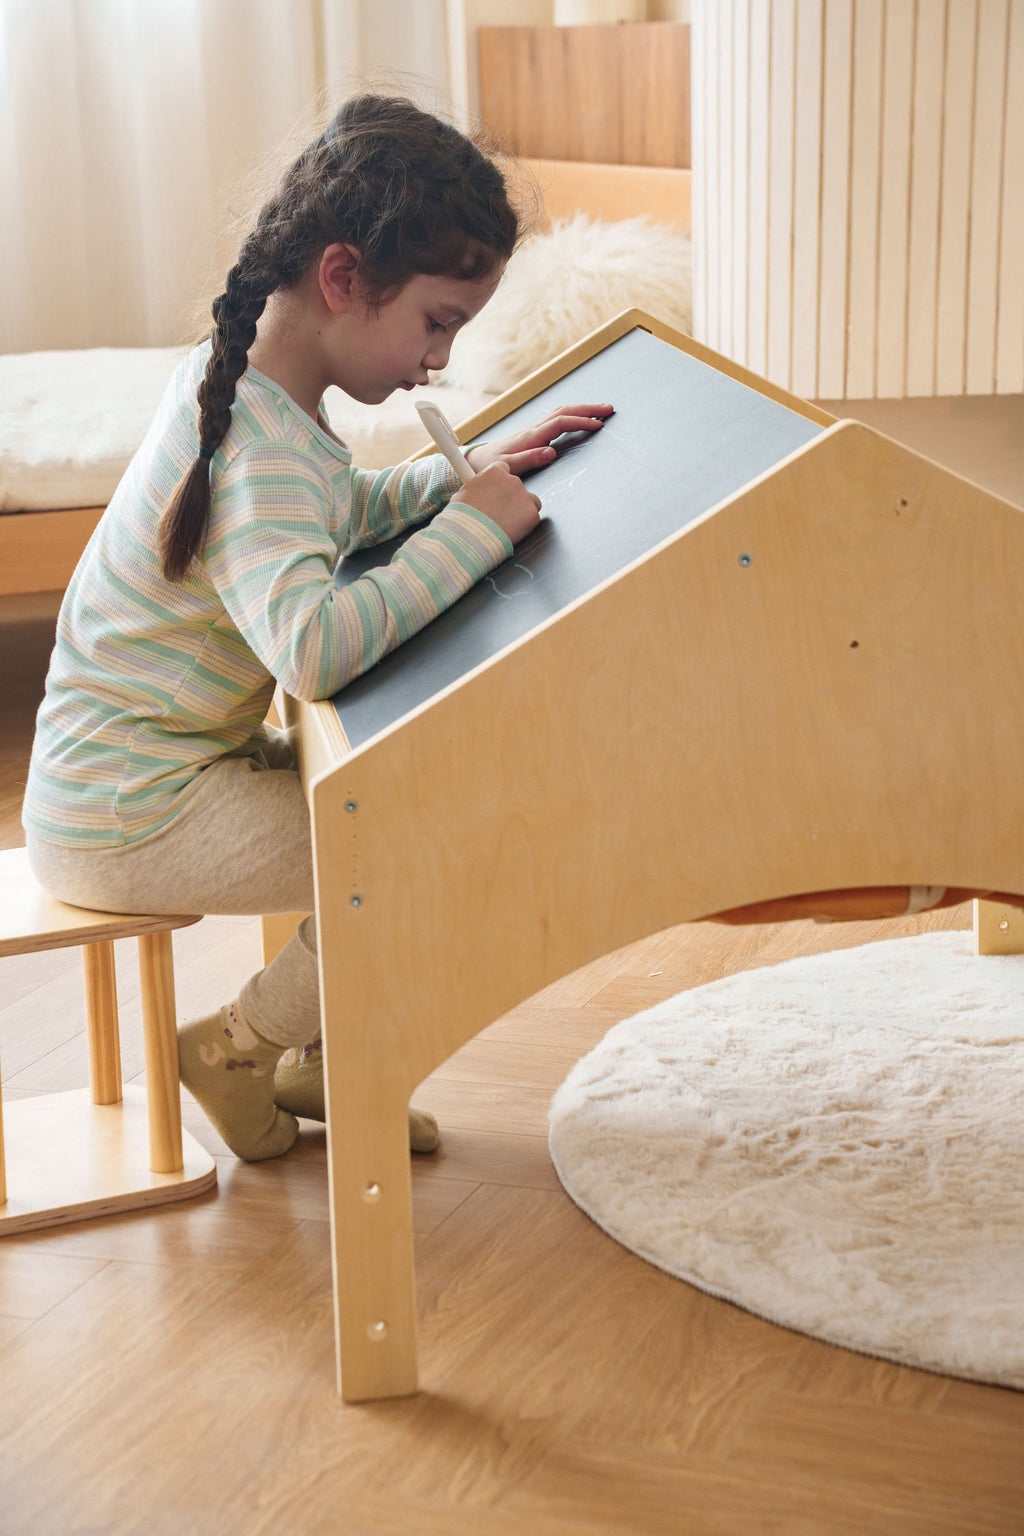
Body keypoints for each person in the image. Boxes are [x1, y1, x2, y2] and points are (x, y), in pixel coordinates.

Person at [22, 94, 613, 1162]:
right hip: (127, 816)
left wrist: (460, 481)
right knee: (425, 848)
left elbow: (328, 512)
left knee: (417, 790)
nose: (436, 364)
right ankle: (244, 1046)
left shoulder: (257, 392)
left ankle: (304, 1058)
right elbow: (313, 644)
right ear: (344, 278)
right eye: (437, 322)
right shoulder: (259, 444)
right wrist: (470, 536)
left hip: (137, 777)